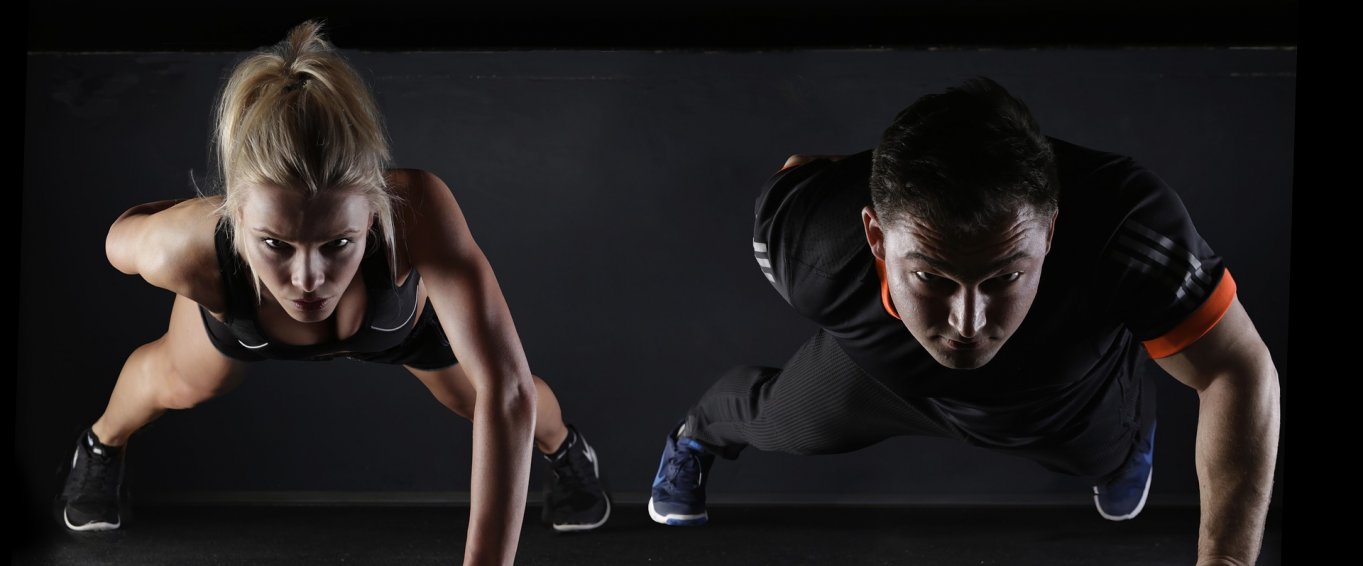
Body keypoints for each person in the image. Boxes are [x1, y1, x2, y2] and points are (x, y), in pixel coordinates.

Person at [648, 78, 1279, 565]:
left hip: (1058, 396)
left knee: (1106, 456)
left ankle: (1124, 436)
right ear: (874, 235)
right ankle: (697, 435)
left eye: (1003, 277)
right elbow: (800, 173)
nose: (969, 322)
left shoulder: (1126, 227)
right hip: (880, 378)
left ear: (1051, 231)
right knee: (779, 423)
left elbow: (1236, 370)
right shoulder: (812, 241)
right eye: (933, 278)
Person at [55, 20, 611, 556]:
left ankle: (564, 451)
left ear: (372, 211)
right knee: (178, 383)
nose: (308, 281)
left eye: (337, 244)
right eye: (276, 244)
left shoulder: (416, 210)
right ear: (237, 214)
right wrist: (205, 225)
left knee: (481, 396)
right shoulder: (179, 247)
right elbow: (117, 238)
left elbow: (507, 389)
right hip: (243, 318)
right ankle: (101, 444)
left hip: (396, 330)